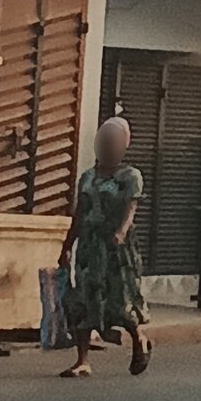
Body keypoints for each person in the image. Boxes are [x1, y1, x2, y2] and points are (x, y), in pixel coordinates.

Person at [58, 117, 152, 378]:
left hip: (117, 249)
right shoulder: (88, 177)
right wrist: (67, 245)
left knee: (121, 301)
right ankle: (82, 360)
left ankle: (139, 338)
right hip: (90, 247)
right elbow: (80, 213)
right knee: (84, 300)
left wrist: (120, 233)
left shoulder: (131, 176)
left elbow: (131, 209)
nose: (107, 146)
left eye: (113, 141)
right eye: (104, 141)